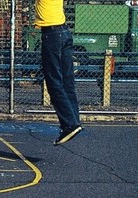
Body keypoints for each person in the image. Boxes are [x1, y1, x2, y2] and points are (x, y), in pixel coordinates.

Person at [34, 0, 82, 145]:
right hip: (64, 32)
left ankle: (69, 125)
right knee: (67, 82)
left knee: (54, 82)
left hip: (52, 34)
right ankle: (74, 120)